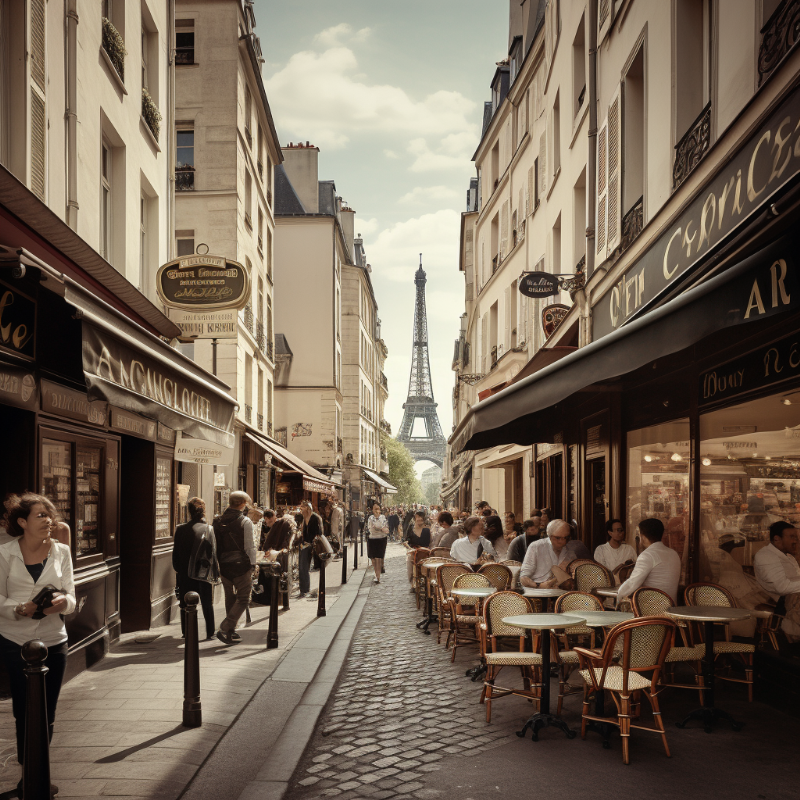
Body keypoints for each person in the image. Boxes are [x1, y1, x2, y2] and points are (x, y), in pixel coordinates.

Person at [0, 493, 76, 778]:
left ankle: (38, 773)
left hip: (54, 639)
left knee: (48, 711)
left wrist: (61, 603)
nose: (48, 520)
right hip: (14, 641)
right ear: (23, 522)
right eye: (40, 515)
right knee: (24, 709)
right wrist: (19, 608)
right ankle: (27, 773)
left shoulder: (61, 551)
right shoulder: (4, 553)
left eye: (49, 514)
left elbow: (71, 594)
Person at [213, 491, 257, 644]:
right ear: (242, 504)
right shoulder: (245, 522)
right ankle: (226, 627)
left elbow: (215, 546)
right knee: (244, 598)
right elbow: (250, 546)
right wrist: (253, 564)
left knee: (229, 597)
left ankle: (231, 632)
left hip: (224, 565)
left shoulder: (217, 521)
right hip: (241, 565)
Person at [173, 497, 218, 641]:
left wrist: (179, 570)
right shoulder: (209, 529)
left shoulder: (180, 530)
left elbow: (176, 554)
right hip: (203, 571)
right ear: (203, 512)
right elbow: (212, 553)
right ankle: (210, 631)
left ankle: (186, 631)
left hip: (185, 572)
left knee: (186, 602)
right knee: (206, 603)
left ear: (189, 512)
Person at [617, 517, 682, 604]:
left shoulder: (647, 555)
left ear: (642, 537)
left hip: (650, 610)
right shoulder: (674, 554)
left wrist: (617, 597)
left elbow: (631, 584)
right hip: (671, 609)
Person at [754, 520, 800, 641]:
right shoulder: (766, 556)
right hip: (781, 603)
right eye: (791, 537)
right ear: (777, 539)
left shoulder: (788, 556)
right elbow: (782, 587)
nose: (795, 540)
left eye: (796, 537)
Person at [520, 519, 575, 588]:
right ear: (550, 536)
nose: (563, 542)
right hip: (538, 592)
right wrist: (538, 586)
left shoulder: (570, 550)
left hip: (562, 593)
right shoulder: (536, 547)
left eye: (566, 538)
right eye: (558, 538)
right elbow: (523, 577)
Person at [299, 501, 324, 597]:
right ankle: (303, 589)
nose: (301, 511)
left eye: (302, 509)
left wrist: (312, 542)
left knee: (305, 567)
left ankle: (305, 589)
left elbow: (319, 532)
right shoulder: (303, 518)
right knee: (302, 567)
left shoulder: (315, 518)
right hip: (305, 545)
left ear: (308, 509)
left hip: (312, 546)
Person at [367, 502, 389, 584]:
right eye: (375, 509)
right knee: (373, 558)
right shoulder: (370, 518)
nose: (376, 510)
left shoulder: (383, 517)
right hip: (372, 539)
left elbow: (385, 527)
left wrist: (380, 528)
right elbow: (372, 528)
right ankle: (376, 573)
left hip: (381, 539)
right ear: (372, 510)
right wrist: (381, 528)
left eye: (378, 509)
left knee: (378, 558)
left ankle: (378, 576)